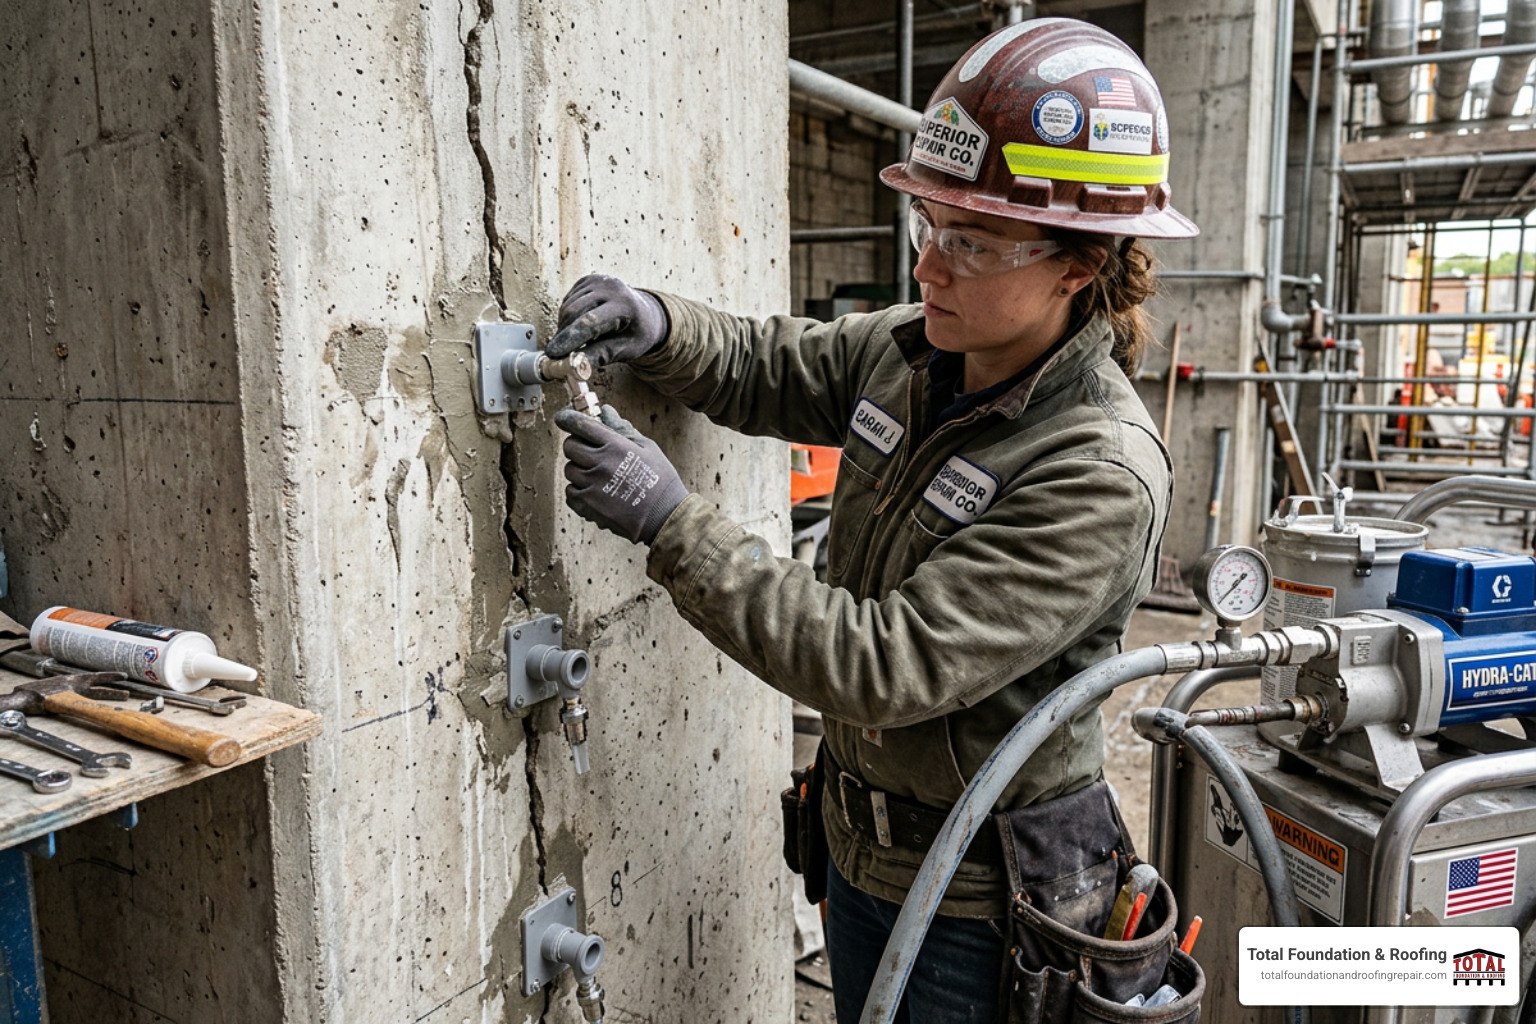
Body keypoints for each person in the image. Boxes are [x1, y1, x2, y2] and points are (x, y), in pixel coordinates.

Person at [546, 19, 1197, 1024]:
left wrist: (672, 523)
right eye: (927, 225)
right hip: (863, 847)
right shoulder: (912, 351)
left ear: (1079, 266)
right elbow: (775, 365)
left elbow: (883, 665)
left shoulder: (1096, 470)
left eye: (970, 242)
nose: (929, 268)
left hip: (981, 901)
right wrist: (663, 324)